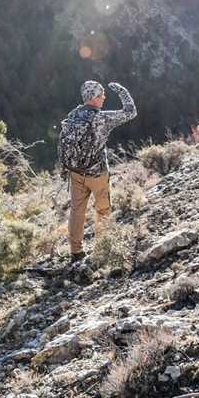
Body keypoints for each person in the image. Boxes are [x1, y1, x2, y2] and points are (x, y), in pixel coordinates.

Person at [57, 80, 137, 264]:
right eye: (101, 95)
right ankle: (104, 248)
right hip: (97, 173)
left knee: (77, 211)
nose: (104, 97)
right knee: (103, 210)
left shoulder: (73, 114)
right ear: (93, 98)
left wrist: (65, 168)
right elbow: (131, 112)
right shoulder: (101, 118)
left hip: (76, 172)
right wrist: (122, 90)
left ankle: (76, 252)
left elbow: (63, 142)